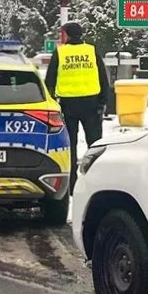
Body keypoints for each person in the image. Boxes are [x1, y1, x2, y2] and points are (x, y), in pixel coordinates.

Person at [44, 21, 112, 192]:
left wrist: (52, 100)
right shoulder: (91, 50)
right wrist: (103, 101)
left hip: (68, 105)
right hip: (92, 104)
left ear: (67, 35)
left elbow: (49, 80)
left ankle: (72, 183)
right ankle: (96, 179)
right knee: (95, 144)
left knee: (70, 144)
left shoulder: (60, 52)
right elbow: (103, 77)